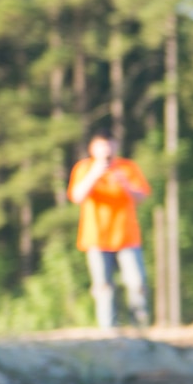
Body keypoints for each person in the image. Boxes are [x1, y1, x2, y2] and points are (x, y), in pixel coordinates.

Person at [67, 136, 151, 329]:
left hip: (127, 237)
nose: (106, 152)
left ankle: (139, 327)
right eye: (102, 147)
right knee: (103, 286)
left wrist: (125, 184)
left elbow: (142, 195)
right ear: (92, 148)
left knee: (137, 282)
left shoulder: (127, 167)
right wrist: (95, 174)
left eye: (109, 146)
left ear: (115, 146)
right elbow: (77, 196)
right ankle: (108, 329)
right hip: (96, 237)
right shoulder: (84, 168)